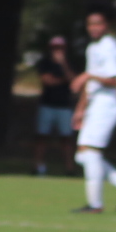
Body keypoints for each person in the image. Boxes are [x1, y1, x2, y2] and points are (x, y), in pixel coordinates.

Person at [71, 6, 116, 214]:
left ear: (106, 25)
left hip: (107, 104)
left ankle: (95, 204)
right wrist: (80, 110)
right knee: (82, 156)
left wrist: (88, 75)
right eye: (91, 24)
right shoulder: (93, 48)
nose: (94, 28)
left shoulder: (109, 45)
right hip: (95, 104)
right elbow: (90, 86)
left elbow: (112, 80)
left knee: (90, 151)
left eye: (98, 23)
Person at [31, 35, 74, 175]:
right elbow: (48, 81)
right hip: (47, 105)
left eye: (60, 47)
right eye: (55, 48)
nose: (57, 50)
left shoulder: (69, 63)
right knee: (42, 137)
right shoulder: (45, 63)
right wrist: (64, 80)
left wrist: (63, 65)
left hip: (64, 106)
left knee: (66, 138)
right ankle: (38, 166)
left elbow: (73, 81)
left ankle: (69, 169)